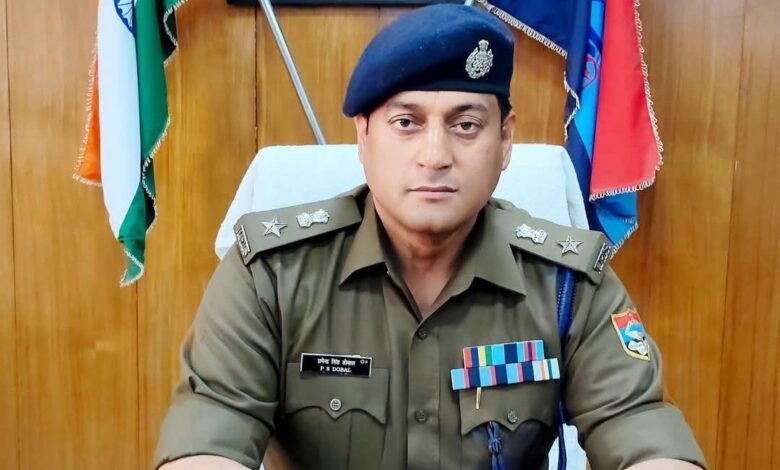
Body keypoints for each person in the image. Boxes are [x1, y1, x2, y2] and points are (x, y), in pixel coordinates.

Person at [154, 4, 705, 470]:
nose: (435, 155)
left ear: (504, 141)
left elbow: (639, 428)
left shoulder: (566, 282)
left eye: (466, 125)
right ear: (363, 137)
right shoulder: (272, 274)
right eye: (407, 123)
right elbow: (210, 435)